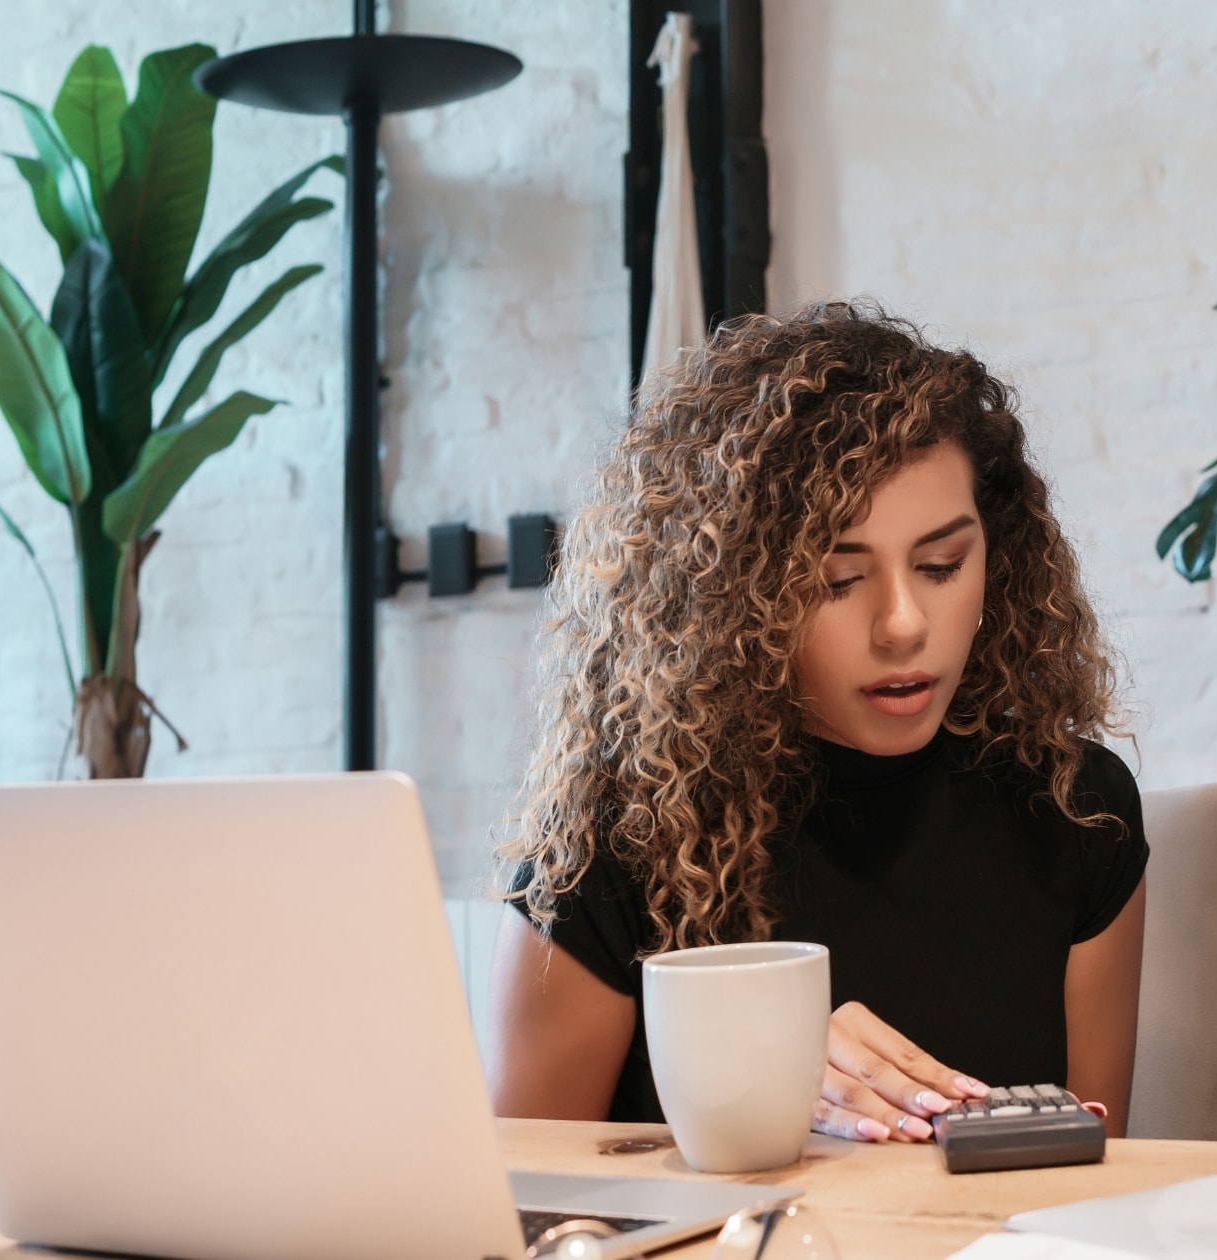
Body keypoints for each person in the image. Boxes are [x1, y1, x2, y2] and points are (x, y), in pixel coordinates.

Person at [489, 304, 1147, 1142]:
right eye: (838, 580)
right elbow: (526, 1204)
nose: (904, 624)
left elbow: (1096, 1176)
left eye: (943, 565)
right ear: (733, 599)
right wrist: (746, 1083)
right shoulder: (616, 841)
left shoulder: (1073, 808)